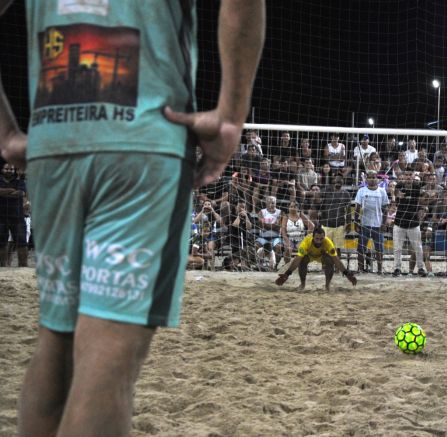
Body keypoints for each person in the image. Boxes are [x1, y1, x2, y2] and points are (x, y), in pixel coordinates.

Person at [0, 2, 265, 436]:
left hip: (54, 136)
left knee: (56, 340)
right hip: (141, 139)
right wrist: (232, 115)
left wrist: (6, 131)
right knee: (108, 362)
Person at [275, 227, 357, 291]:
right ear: (313, 237)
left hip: (322, 256)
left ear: (324, 237)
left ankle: (327, 285)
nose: (319, 241)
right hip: (309, 256)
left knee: (330, 260)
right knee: (302, 260)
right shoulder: (306, 242)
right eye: (317, 239)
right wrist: (287, 274)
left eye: (321, 239)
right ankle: (302, 284)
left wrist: (347, 274)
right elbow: (297, 259)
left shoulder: (328, 242)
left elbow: (337, 260)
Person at [392, 172, 427, 277]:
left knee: (418, 247)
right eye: (406, 175)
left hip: (413, 222)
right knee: (397, 248)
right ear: (403, 176)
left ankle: (421, 268)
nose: (407, 177)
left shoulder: (417, 186)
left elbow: (423, 195)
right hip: (399, 222)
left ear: (412, 176)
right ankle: (397, 268)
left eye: (409, 175)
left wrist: (426, 195)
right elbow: (396, 191)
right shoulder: (399, 185)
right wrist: (397, 194)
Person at [354, 170, 389, 273]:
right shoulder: (361, 191)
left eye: (374, 177)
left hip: (378, 225)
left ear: (377, 179)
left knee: (379, 249)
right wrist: (356, 222)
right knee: (361, 249)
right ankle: (360, 269)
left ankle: (379, 270)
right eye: (370, 177)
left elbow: (385, 209)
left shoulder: (382, 191)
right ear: (366, 179)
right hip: (364, 224)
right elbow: (357, 208)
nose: (372, 179)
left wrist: (384, 223)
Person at [0, 162, 28, 266]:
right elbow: (16, 193)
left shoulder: (20, 181)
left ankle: (23, 267)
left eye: (11, 169)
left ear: (14, 170)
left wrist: (4, 192)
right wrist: (12, 190)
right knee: (1, 243)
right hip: (1, 217)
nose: (9, 171)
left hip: (17, 217)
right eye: (7, 169)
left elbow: (21, 193)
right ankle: (2, 267)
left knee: (22, 243)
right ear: (2, 170)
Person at [280, 201, 314, 265]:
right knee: (288, 249)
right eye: (291, 206)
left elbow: (311, 226)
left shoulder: (301, 215)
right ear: (289, 208)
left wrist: (307, 237)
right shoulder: (286, 216)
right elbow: (283, 231)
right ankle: (288, 265)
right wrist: (287, 240)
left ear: (298, 208)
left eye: (294, 206)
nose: (293, 208)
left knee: (301, 249)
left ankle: (302, 265)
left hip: (300, 238)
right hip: (289, 238)